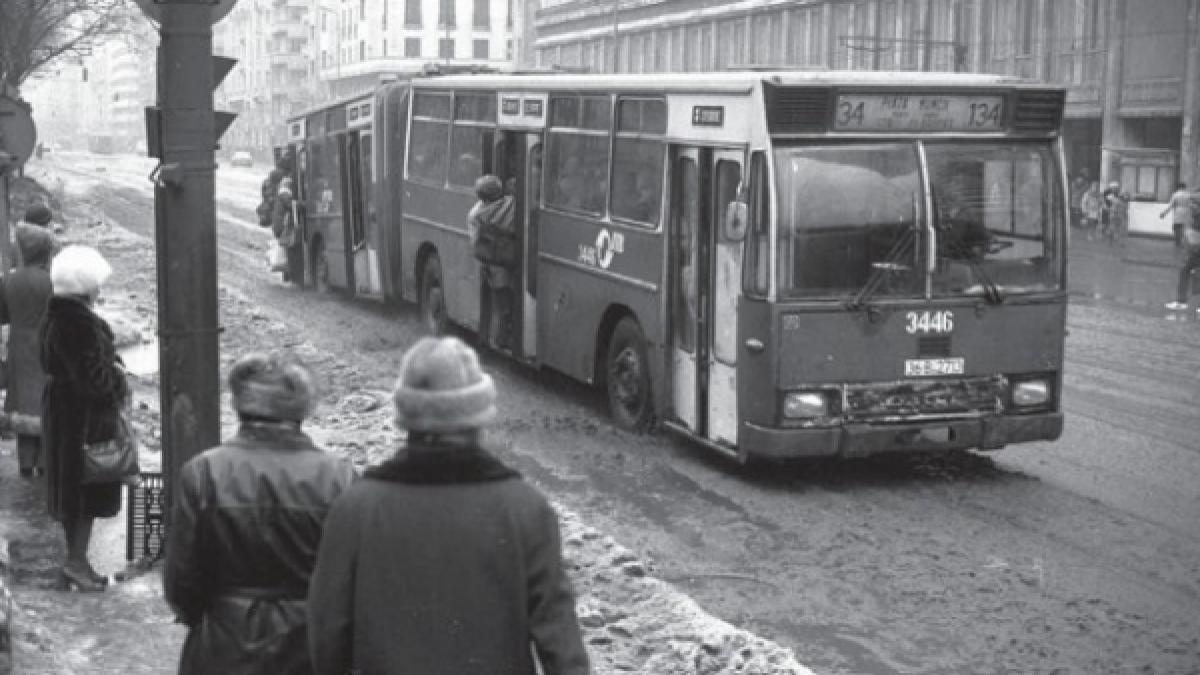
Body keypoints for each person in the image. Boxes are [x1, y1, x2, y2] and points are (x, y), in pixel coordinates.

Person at [307, 336, 590, 675]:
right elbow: (561, 642)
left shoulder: (355, 509)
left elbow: (326, 633)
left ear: (406, 417)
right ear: (479, 417)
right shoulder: (525, 509)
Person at [163, 352, 357, 674]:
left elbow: (182, 580)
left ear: (238, 403)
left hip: (224, 643)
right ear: (303, 408)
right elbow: (349, 580)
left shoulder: (204, 471)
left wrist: (214, 617)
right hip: (309, 646)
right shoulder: (339, 476)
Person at [39, 245, 128, 592]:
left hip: (62, 411)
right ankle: (76, 562)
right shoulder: (80, 323)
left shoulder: (55, 316)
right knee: (86, 486)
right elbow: (95, 380)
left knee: (69, 485)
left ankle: (77, 561)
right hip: (84, 419)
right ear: (86, 287)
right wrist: (117, 374)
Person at [0, 225, 59, 476]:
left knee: (23, 403)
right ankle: (45, 462)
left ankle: (25, 462)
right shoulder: (52, 280)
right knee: (46, 400)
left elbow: (2, 316)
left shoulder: (8, 280)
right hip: (47, 344)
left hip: (19, 346)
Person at [469, 174, 517, 352]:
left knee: (498, 302)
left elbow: (474, 241)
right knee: (506, 304)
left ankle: (494, 338)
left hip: (489, 262)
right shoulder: (510, 204)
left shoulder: (476, 213)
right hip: (505, 263)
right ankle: (502, 339)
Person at [1160, 182, 1195, 249]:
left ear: (1178, 187)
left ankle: (1178, 241)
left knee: (1176, 227)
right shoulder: (1188, 195)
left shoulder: (1175, 195)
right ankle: (1184, 242)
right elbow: (1191, 205)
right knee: (1185, 228)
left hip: (1178, 212)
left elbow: (1171, 206)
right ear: (1184, 187)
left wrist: (1164, 213)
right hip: (1187, 212)